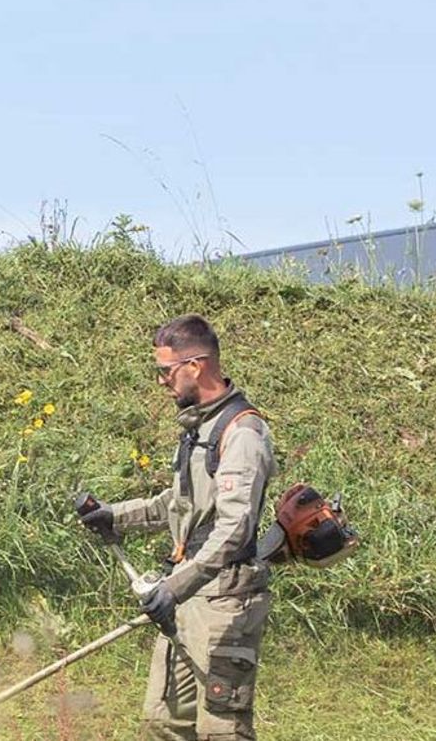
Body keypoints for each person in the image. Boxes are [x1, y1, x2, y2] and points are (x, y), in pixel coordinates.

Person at [75, 314, 280, 740]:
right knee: (163, 723)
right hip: (186, 598)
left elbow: (234, 530)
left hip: (225, 604)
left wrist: (174, 586)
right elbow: (176, 504)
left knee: (221, 729)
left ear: (196, 365)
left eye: (165, 371)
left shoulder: (242, 433)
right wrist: (115, 516)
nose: (161, 382)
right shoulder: (198, 428)